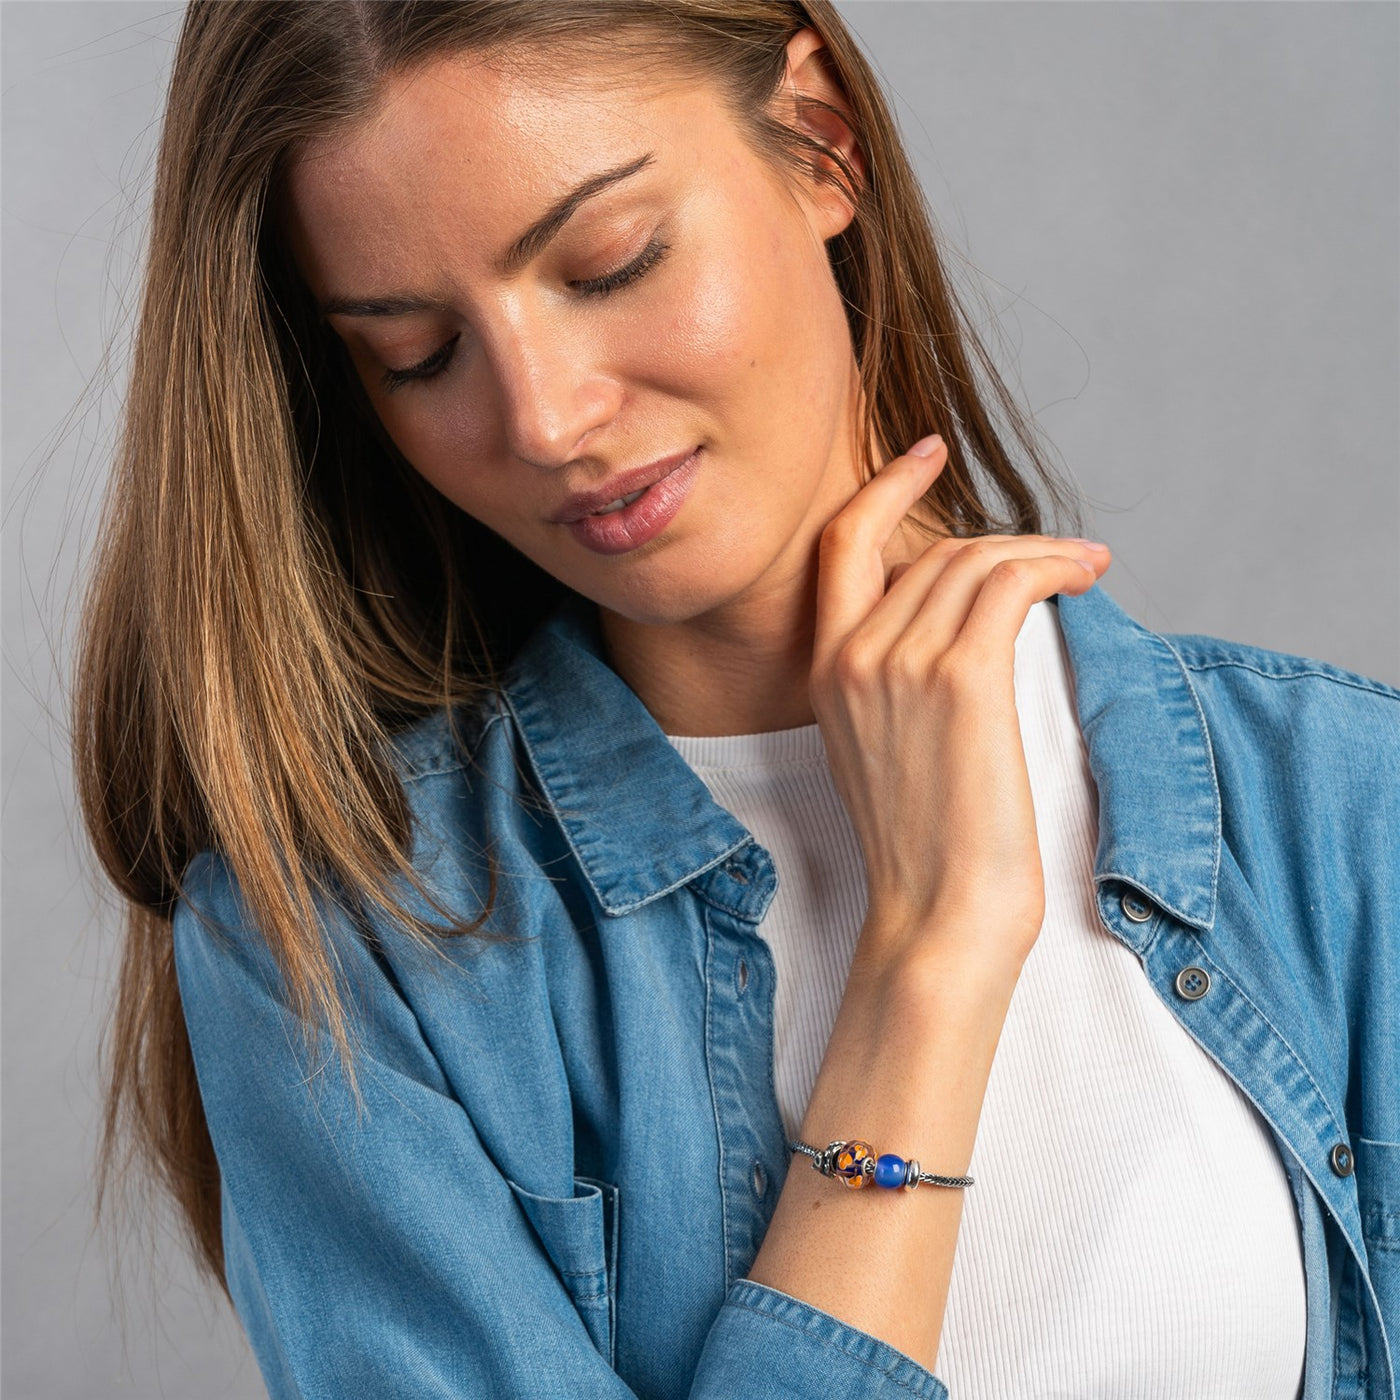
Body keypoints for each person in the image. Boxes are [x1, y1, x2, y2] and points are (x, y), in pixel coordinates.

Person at [70, 2, 1397, 1397]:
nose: (545, 420)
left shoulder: (1347, 808)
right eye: (420, 354)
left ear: (819, 141)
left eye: (610, 264)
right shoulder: (344, 949)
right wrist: (926, 963)